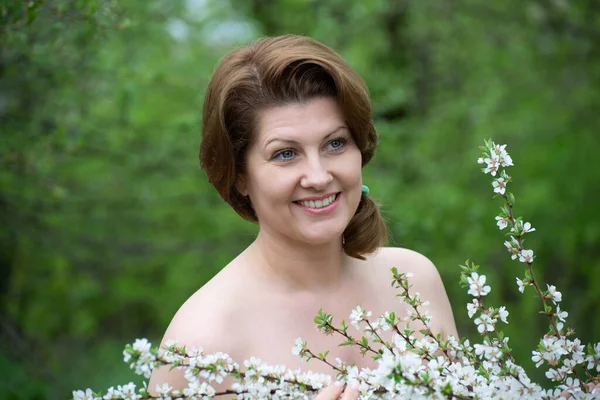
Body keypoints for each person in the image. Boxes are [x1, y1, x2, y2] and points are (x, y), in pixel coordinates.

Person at [148, 34, 458, 399]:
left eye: (335, 144)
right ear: (240, 176)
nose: (318, 176)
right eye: (285, 154)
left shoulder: (413, 282)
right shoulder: (202, 343)